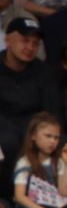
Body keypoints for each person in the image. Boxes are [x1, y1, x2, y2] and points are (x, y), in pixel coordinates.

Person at [0, 17, 60, 171]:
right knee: (8, 141)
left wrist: (39, 132)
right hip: (3, 127)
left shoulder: (45, 72)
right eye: (25, 41)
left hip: (34, 127)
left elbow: (53, 113)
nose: (30, 47)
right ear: (7, 40)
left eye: (35, 43)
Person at [11, 111, 67, 208]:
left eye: (56, 138)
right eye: (48, 136)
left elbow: (64, 191)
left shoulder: (58, 162)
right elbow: (19, 196)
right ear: (33, 136)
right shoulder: (25, 162)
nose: (53, 141)